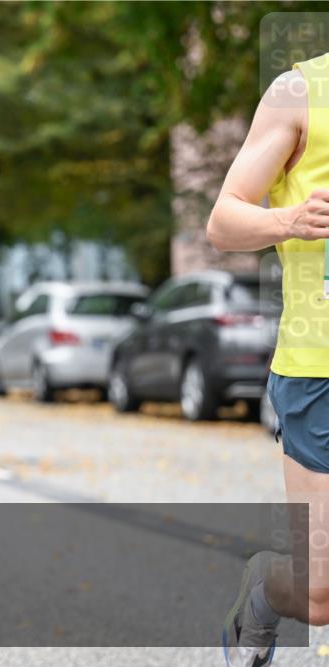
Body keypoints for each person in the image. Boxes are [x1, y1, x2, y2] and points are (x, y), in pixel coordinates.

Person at [207, 52, 329, 667]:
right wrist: (291, 220)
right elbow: (223, 221)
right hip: (318, 368)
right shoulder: (299, 91)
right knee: (321, 589)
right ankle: (263, 589)